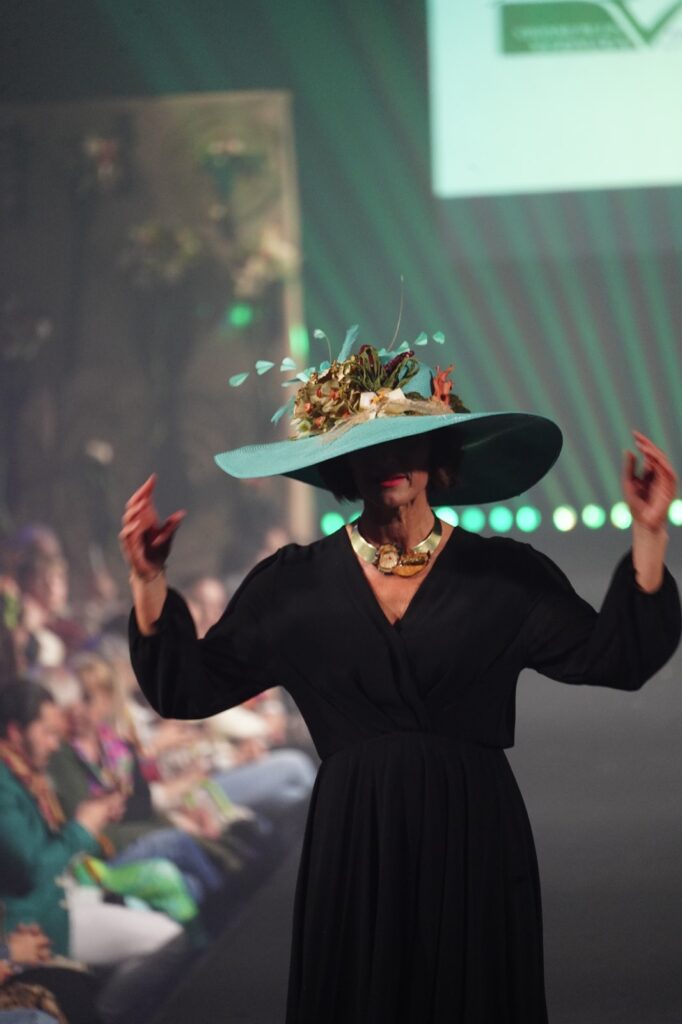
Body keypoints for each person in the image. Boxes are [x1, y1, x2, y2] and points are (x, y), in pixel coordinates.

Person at [120, 333, 681, 1023]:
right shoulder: (294, 587)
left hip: (473, 838)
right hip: (357, 845)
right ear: (344, 466)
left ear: (436, 458)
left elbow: (615, 657)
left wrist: (648, 533)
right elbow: (189, 686)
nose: (389, 461)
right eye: (369, 447)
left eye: (405, 442)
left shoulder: (502, 577)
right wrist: (149, 582)